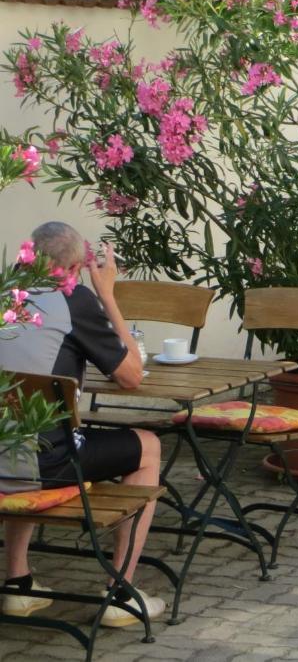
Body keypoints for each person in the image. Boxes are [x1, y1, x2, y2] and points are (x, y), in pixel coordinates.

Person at [0, 222, 164, 626]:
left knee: (24, 432)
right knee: (148, 445)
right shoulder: (73, 301)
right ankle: (120, 592)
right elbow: (131, 375)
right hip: (41, 466)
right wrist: (107, 294)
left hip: (2, 454)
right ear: (75, 268)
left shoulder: (8, 294)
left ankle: (18, 585)